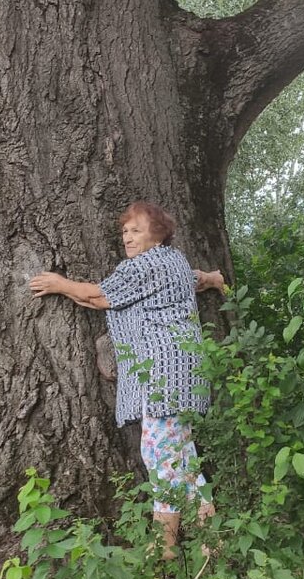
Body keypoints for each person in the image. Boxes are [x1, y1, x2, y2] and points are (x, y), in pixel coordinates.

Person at [29, 201, 225, 559]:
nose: (128, 238)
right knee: (181, 454)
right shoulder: (174, 261)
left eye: (136, 230)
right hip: (183, 372)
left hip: (162, 374)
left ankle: (164, 545)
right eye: (125, 231)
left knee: (161, 455)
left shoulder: (144, 266)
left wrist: (59, 284)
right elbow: (195, 279)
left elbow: (100, 297)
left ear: (159, 233)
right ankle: (211, 539)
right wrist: (214, 279)